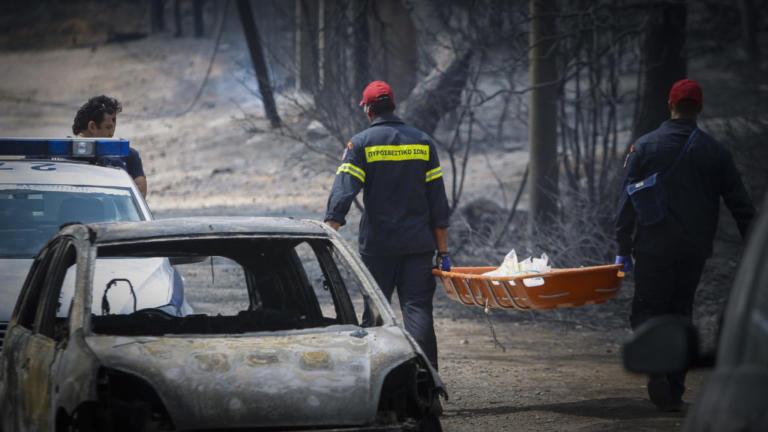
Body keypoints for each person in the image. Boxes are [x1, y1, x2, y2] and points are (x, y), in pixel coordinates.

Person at [615, 78, 755, 411]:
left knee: (648, 310)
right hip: (694, 250)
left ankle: (655, 367)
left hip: (651, 247)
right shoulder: (715, 151)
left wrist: (622, 247)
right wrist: (755, 253)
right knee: (681, 312)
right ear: (700, 108)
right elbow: (741, 206)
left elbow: (625, 203)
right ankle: (673, 390)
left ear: (670, 104)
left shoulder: (644, 146)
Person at [324, 80, 451, 369]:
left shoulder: (361, 144)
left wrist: (329, 231)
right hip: (418, 246)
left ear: (368, 109)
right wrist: (443, 252)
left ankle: (374, 383)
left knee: (375, 315)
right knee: (418, 312)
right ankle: (427, 387)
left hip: (378, 248)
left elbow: (344, 190)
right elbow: (438, 202)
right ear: (393, 105)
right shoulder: (422, 143)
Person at [72, 95, 147, 197]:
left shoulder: (127, 156)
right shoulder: (64, 158)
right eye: (108, 127)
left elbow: (140, 194)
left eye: (113, 126)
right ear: (92, 127)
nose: (112, 133)